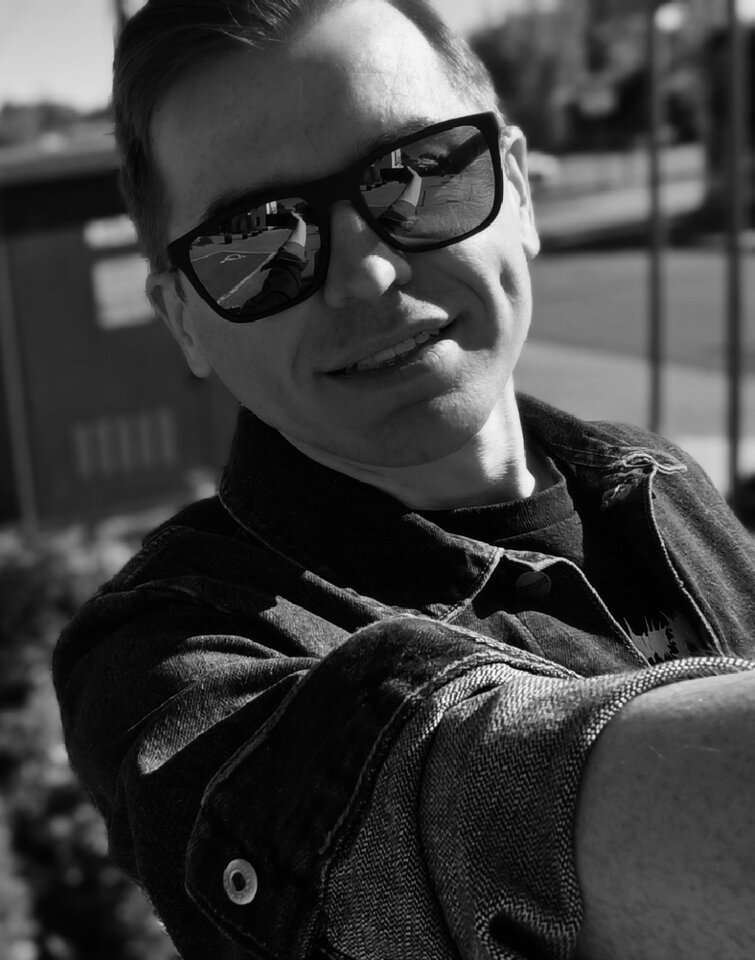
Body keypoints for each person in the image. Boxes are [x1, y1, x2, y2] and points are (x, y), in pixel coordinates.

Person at [53, 1, 755, 958]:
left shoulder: (655, 480)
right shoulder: (175, 658)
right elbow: (423, 823)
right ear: (183, 319)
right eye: (256, 239)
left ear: (517, 188)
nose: (368, 276)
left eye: (414, 174)